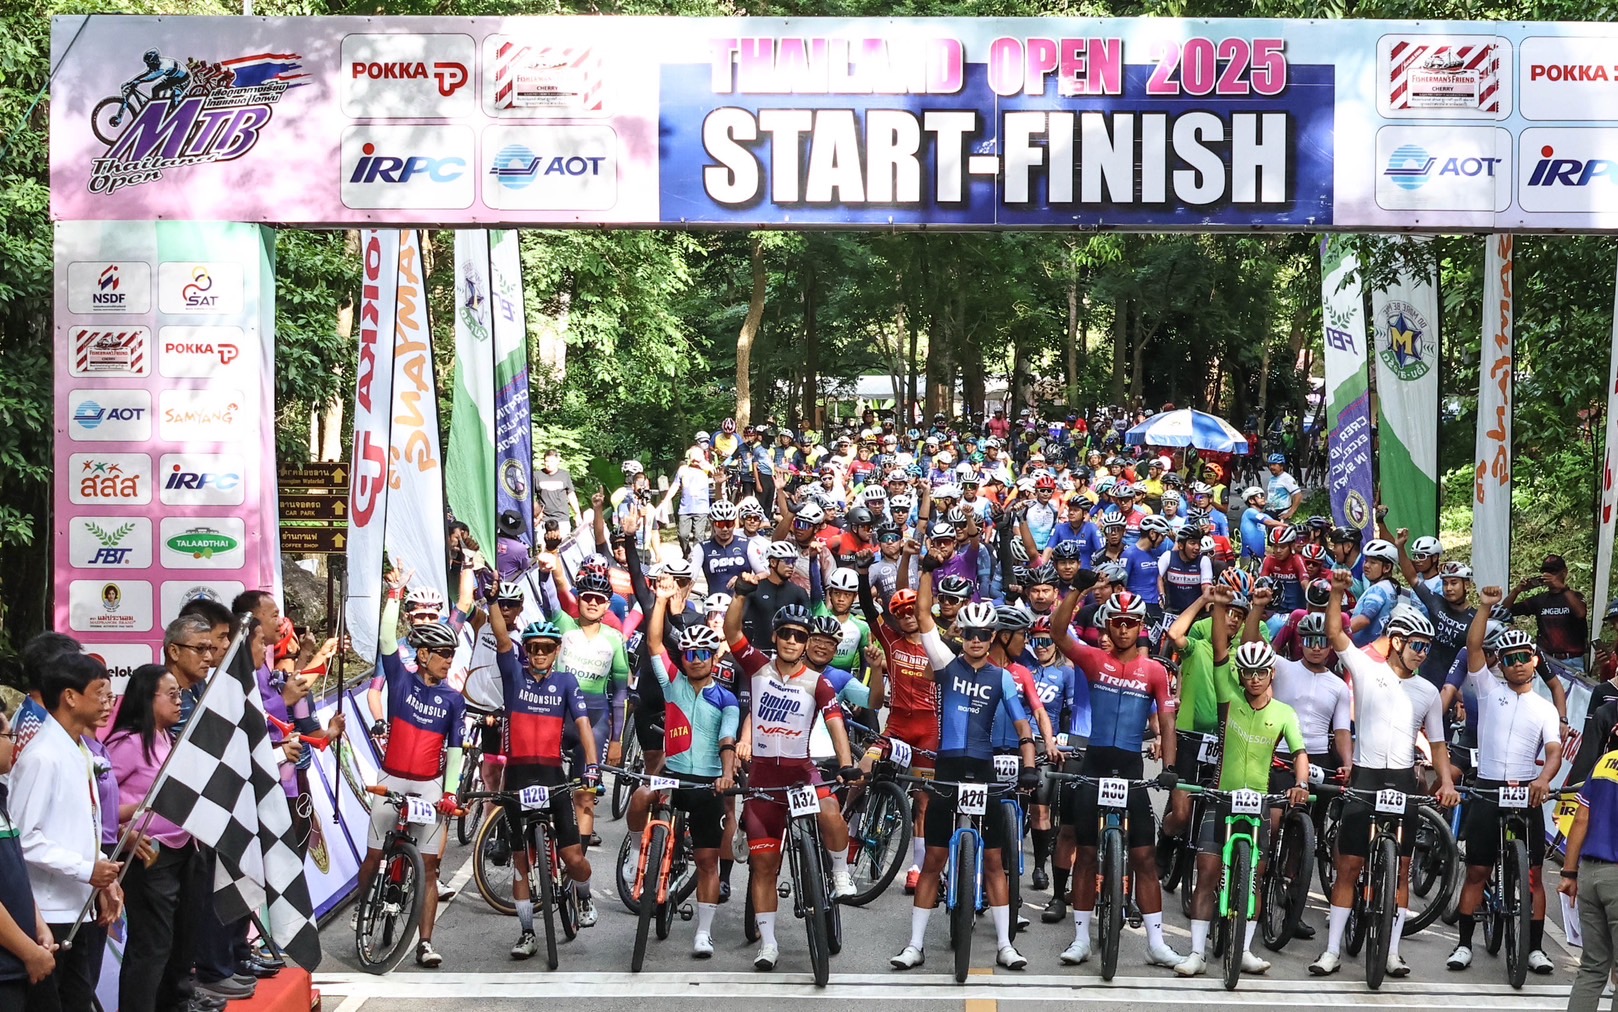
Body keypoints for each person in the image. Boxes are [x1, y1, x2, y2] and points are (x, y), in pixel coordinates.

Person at [1310, 571, 1459, 979]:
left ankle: (1392, 952)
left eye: (1427, 647)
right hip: (1366, 776)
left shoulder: (1428, 691)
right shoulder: (1365, 668)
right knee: (1349, 866)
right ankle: (1332, 950)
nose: (1423, 653)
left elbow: (1438, 744)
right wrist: (1337, 592)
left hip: (1403, 780)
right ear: (1396, 641)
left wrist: (1446, 782)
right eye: (1417, 645)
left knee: (1402, 869)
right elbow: (1336, 633)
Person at [888, 582, 1038, 972]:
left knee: (993, 861)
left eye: (983, 634)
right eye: (969, 633)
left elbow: (1022, 724)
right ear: (961, 634)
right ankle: (914, 945)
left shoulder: (1002, 677)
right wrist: (926, 570)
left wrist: (1029, 765)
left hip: (983, 770)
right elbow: (924, 615)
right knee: (933, 860)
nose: (975, 640)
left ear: (993, 637)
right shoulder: (945, 664)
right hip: (948, 769)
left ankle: (1005, 945)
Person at [1049, 585, 1182, 969]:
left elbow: (1167, 724)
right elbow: (1058, 633)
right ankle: (1080, 939)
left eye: (1130, 623)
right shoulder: (1094, 660)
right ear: (1108, 625)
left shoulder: (1154, 671)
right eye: (1118, 622)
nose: (1123, 629)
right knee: (1087, 854)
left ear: (1140, 627)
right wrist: (1077, 590)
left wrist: (1169, 768)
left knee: (1144, 857)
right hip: (1094, 765)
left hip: (1130, 769)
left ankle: (1155, 943)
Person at [723, 593, 858, 971]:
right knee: (764, 866)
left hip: (801, 774)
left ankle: (839, 872)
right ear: (775, 636)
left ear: (806, 642)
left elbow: (836, 724)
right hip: (764, 781)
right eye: (786, 634)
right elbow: (731, 631)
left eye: (800, 636)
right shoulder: (757, 668)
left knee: (830, 808)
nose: (792, 641)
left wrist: (846, 764)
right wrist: (740, 595)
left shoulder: (818, 683)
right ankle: (768, 944)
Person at [1175, 635, 1309, 978]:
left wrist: (1301, 784)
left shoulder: (1284, 713)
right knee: (1207, 873)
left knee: (1255, 879)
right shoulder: (1230, 698)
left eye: (1261, 672)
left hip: (1258, 803)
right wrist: (1219, 609)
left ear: (1271, 673)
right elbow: (1221, 655)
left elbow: (1299, 753)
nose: (1254, 679)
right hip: (1222, 798)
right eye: (1248, 672)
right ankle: (1196, 953)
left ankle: (1245, 949)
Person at [1447, 593, 1563, 975]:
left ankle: (1535, 949)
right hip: (1488, 788)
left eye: (1523, 657)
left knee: (1533, 877)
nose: (1516, 664)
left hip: (1526, 791)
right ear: (1502, 662)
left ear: (1534, 660)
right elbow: (1473, 645)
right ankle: (1464, 945)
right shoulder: (1488, 689)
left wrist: (1543, 779)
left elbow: (1554, 751)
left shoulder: (1545, 708)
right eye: (1509, 659)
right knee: (1477, 872)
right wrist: (1483, 607)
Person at [12, 651, 123, 1012]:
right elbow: (22, 839)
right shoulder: (42, 755)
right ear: (71, 697)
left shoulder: (79, 750)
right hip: (48, 912)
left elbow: (82, 825)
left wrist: (103, 875)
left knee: (78, 1000)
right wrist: (86, 870)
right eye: (100, 693)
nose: (108, 703)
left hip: (78, 906)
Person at [356, 621, 467, 968]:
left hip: (428, 784)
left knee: (430, 867)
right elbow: (385, 637)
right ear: (423, 654)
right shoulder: (401, 680)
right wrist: (394, 595)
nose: (449, 660)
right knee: (375, 855)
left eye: (452, 654)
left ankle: (425, 942)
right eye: (444, 654)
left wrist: (450, 792)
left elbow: (455, 749)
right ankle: (363, 908)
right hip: (392, 778)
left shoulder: (454, 699)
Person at [635, 590, 739, 957]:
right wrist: (661, 600)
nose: (695, 660)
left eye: (702, 654)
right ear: (683, 658)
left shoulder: (726, 699)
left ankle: (704, 933)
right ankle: (636, 854)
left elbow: (728, 740)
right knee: (640, 796)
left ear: (713, 657)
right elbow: (653, 642)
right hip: (674, 776)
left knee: (707, 861)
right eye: (690, 654)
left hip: (708, 784)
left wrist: (726, 775)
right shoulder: (672, 684)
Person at [490, 605, 597, 961]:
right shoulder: (513, 676)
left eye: (546, 648)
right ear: (526, 650)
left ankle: (584, 896)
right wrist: (492, 600)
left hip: (552, 775)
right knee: (521, 861)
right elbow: (501, 638)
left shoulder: (566, 683)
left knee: (573, 856)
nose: (539, 653)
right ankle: (526, 932)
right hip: (517, 777)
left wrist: (592, 765)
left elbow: (583, 724)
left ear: (556, 651)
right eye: (533, 647)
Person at [105, 663, 196, 1012]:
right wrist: (122, 832)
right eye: (171, 695)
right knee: (151, 946)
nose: (179, 701)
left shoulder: (165, 736)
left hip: (181, 849)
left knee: (177, 941)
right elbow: (98, 801)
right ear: (147, 698)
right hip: (148, 855)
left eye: (180, 695)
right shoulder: (128, 743)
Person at [0, 702, 55, 1010]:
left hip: (17, 963)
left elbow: (15, 874)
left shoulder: (1, 799)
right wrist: (29, 952)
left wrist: (38, 924)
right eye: (9, 735)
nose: (14, 743)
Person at [1559, 740, 1618, 1012]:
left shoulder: (1606, 761)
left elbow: (1581, 818)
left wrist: (1569, 873)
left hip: (1590, 874)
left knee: (1593, 966)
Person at [1505, 554, 1590, 672]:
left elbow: (1581, 613)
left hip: (1572, 660)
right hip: (1546, 659)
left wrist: (1562, 587)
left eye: (1553, 572)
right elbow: (1504, 611)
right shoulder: (1539, 600)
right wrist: (1516, 591)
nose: (1549, 576)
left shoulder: (1575, 596)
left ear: (1564, 573)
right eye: (1546, 572)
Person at [660, 449, 716, 559]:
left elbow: (717, 478)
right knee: (682, 534)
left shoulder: (707, 469)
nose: (695, 461)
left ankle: (697, 557)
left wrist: (705, 465)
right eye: (693, 458)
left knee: (699, 535)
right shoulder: (683, 470)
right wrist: (666, 500)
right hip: (685, 508)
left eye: (697, 458)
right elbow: (675, 485)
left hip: (701, 508)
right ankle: (687, 552)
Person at [535, 449, 582, 536]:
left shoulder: (564, 475)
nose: (549, 464)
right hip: (544, 520)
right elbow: (530, 498)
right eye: (546, 461)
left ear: (557, 461)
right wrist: (536, 514)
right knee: (543, 544)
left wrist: (577, 513)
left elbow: (571, 494)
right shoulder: (537, 475)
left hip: (562, 519)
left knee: (563, 543)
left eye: (552, 461)